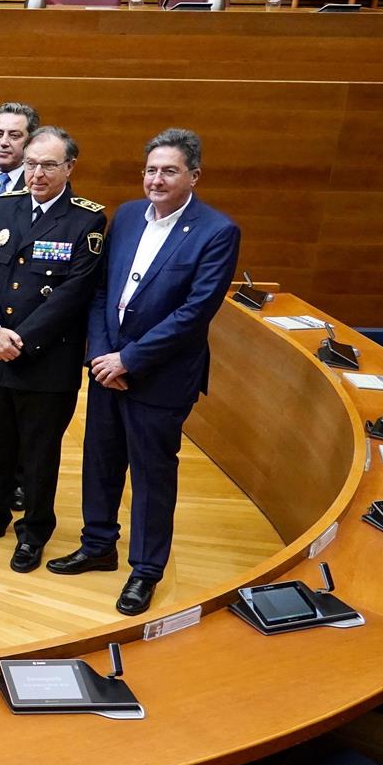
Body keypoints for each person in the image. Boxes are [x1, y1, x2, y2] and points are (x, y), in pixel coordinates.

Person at [52, 128, 240, 616]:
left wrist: (128, 360)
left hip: (159, 378)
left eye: (169, 171)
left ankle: (146, 569)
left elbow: (195, 313)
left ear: (193, 176)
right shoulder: (129, 215)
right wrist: (103, 355)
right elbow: (100, 292)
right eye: (151, 170)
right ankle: (97, 545)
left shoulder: (216, 232)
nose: (156, 179)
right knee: (100, 459)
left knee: (153, 475)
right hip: (106, 367)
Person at [0, 127, 107, 571]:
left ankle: (34, 531)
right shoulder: (5, 207)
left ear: (69, 168)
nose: (37, 174)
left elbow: (74, 292)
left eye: (48, 165)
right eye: (31, 164)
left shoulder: (87, 219)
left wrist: (20, 340)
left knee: (38, 455)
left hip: (44, 361)